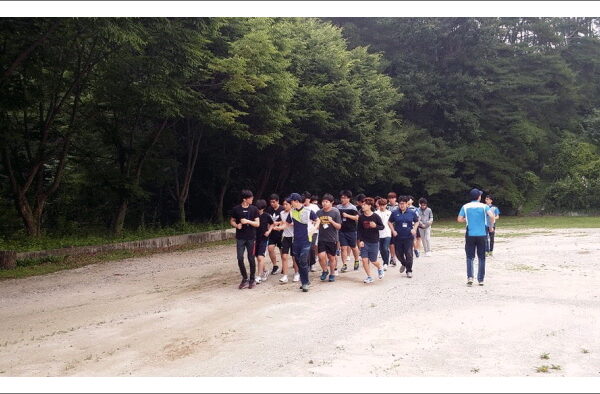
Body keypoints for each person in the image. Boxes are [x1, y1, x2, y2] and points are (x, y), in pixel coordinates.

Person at [457, 188, 496, 286]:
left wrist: (468, 219)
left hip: (470, 234)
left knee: (470, 257)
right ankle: (481, 279)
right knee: (481, 257)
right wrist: (490, 227)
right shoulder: (484, 206)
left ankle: (470, 277)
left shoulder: (465, 206)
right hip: (482, 234)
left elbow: (459, 219)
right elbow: (492, 216)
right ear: (479, 197)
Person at [287, 193, 320, 292]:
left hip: (306, 239)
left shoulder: (308, 211)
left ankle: (305, 283)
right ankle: (305, 281)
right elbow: (287, 223)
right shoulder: (292, 212)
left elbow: (318, 220)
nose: (290, 203)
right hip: (296, 240)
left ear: (296, 201)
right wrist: (278, 227)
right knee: (297, 261)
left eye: (291, 201)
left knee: (303, 260)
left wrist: (314, 229)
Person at [229, 189, 260, 289]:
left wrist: (247, 221)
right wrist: (236, 225)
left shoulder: (254, 209)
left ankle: (252, 278)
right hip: (240, 238)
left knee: (251, 258)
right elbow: (232, 221)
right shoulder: (236, 209)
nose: (252, 199)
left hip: (251, 237)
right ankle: (244, 278)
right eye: (250, 198)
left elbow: (257, 223)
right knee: (239, 257)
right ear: (244, 199)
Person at [388, 195, 419, 278]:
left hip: (408, 237)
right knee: (398, 254)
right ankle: (404, 263)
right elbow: (389, 222)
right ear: (398, 204)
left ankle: (409, 270)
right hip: (398, 237)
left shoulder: (411, 213)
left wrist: (414, 229)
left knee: (409, 254)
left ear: (407, 204)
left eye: (403, 204)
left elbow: (416, 221)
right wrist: (393, 230)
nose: (402, 205)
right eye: (400, 204)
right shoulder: (395, 213)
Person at [357, 197, 385, 283]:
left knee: (373, 260)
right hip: (364, 242)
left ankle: (380, 268)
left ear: (369, 206)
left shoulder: (376, 216)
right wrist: (360, 240)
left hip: (374, 241)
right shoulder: (361, 217)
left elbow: (382, 227)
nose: (363, 206)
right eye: (362, 204)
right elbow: (359, 230)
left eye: (365, 204)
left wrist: (375, 226)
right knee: (364, 260)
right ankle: (369, 276)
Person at [316, 193, 342, 282]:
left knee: (331, 257)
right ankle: (324, 270)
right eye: (323, 202)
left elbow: (339, 226)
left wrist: (332, 221)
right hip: (321, 238)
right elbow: (317, 225)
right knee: (321, 256)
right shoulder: (319, 212)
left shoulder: (335, 212)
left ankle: (332, 273)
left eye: (326, 202)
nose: (324, 203)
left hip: (332, 239)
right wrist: (316, 224)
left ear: (331, 202)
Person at [272, 197, 299, 283]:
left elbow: (295, 223)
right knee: (284, 256)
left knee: (294, 257)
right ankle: (285, 275)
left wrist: (284, 225)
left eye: (286, 204)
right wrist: (278, 224)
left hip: (294, 237)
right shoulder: (282, 213)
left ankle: (297, 273)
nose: (284, 206)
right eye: (283, 204)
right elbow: (283, 222)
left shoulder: (294, 212)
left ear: (291, 204)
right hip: (285, 236)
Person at [337, 190, 361, 272]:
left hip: (351, 230)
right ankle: (344, 264)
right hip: (341, 230)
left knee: (353, 247)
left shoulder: (353, 207)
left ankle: (357, 260)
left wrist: (347, 215)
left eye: (344, 198)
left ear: (349, 199)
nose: (342, 199)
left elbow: (357, 218)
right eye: (341, 197)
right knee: (343, 248)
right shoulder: (338, 207)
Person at [254, 199, 275, 284]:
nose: (258, 210)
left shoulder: (267, 216)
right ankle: (265, 270)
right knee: (257, 257)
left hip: (264, 238)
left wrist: (269, 231)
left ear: (263, 208)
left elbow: (272, 223)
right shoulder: (254, 215)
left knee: (260, 257)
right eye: (257, 208)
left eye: (260, 209)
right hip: (255, 239)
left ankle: (259, 276)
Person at [266, 194, 284, 275]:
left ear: (278, 201)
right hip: (272, 233)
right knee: (270, 248)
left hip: (281, 233)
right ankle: (275, 265)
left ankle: (284, 265)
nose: (272, 204)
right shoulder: (269, 209)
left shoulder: (282, 209)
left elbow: (287, 221)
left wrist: (278, 223)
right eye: (271, 202)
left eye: (273, 202)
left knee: (282, 250)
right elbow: (268, 221)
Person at [303, 192, 320, 272]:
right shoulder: (300, 207)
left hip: (313, 230)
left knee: (312, 247)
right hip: (303, 231)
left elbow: (319, 217)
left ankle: (312, 263)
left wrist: (315, 222)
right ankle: (305, 264)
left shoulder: (314, 207)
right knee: (305, 248)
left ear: (309, 199)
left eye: (306, 199)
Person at [375, 198, 392, 271]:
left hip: (387, 233)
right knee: (381, 249)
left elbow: (391, 222)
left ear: (386, 205)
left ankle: (386, 263)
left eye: (383, 205)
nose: (382, 207)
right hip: (378, 233)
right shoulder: (376, 213)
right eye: (381, 205)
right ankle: (384, 261)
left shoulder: (389, 212)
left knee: (385, 247)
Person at [386, 192, 399, 267]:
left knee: (397, 243)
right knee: (391, 243)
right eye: (390, 198)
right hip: (389, 227)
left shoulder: (399, 206)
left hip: (397, 227)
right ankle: (393, 257)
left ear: (395, 198)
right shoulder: (386, 206)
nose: (391, 199)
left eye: (392, 198)